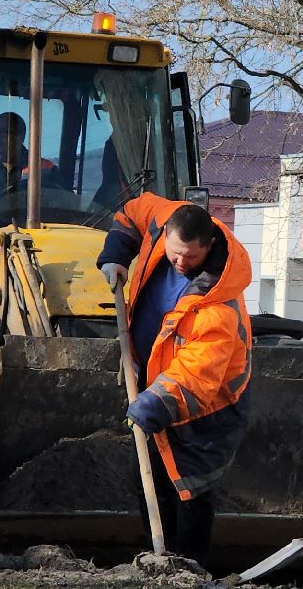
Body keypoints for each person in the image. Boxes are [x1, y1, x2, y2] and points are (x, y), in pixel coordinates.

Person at [96, 194, 253, 559]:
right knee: (150, 476)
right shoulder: (162, 217)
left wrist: (154, 401)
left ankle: (191, 567)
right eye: (174, 253)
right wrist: (117, 254)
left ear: (209, 245)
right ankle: (158, 557)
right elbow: (132, 213)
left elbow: (200, 369)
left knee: (191, 484)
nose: (181, 263)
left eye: (192, 258)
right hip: (155, 382)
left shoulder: (219, 302)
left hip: (209, 402)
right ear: (165, 232)